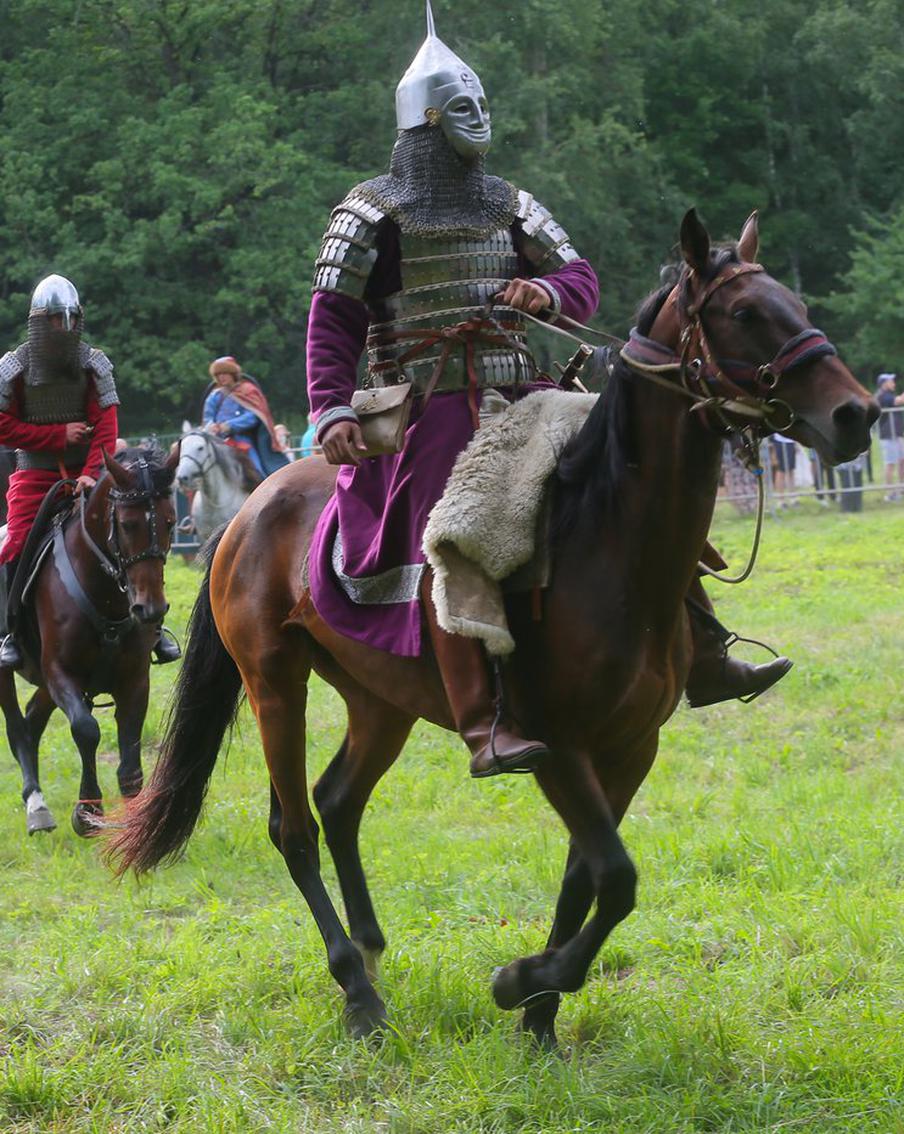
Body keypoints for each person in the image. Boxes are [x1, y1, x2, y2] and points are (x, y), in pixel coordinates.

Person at [305, 2, 789, 778]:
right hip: (426, 406)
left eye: (482, 106)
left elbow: (580, 276)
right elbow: (332, 318)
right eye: (464, 109)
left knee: (634, 472)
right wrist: (329, 406)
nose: (479, 120)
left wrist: (546, 295)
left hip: (524, 391)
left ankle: (704, 651)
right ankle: (481, 720)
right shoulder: (371, 211)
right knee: (453, 530)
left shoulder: (509, 201)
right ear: (426, 122)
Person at [0, 275, 179, 666]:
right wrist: (56, 435)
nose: (63, 327)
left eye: (69, 319)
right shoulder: (13, 369)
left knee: (127, 535)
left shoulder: (94, 365)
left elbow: (107, 425)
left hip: (92, 473)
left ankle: (152, 629)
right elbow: (3, 425)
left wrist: (92, 470)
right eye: (55, 319)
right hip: (35, 475)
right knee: (15, 543)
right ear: (39, 321)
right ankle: (12, 632)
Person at [202, 356, 290, 479]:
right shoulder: (214, 396)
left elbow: (254, 416)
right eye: (218, 374)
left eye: (225, 373)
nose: (221, 377)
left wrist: (229, 426)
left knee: (256, 471)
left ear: (233, 374)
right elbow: (207, 418)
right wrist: (212, 427)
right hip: (218, 443)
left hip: (243, 442)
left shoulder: (248, 390)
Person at [875, 372, 904, 501]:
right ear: (884, 384)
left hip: (895, 434)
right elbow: (899, 400)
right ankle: (890, 493)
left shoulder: (887, 395)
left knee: (902, 461)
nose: (894, 383)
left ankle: (901, 488)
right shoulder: (883, 396)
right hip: (888, 435)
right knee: (890, 463)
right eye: (891, 381)